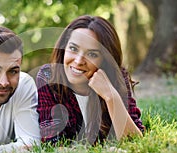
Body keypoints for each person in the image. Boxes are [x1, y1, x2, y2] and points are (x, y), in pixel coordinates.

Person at [36, 15, 144, 145]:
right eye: (73, 49)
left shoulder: (117, 77)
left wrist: (110, 96)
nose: (79, 61)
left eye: (92, 54)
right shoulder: (48, 76)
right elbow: (52, 140)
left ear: (105, 60)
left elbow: (134, 140)